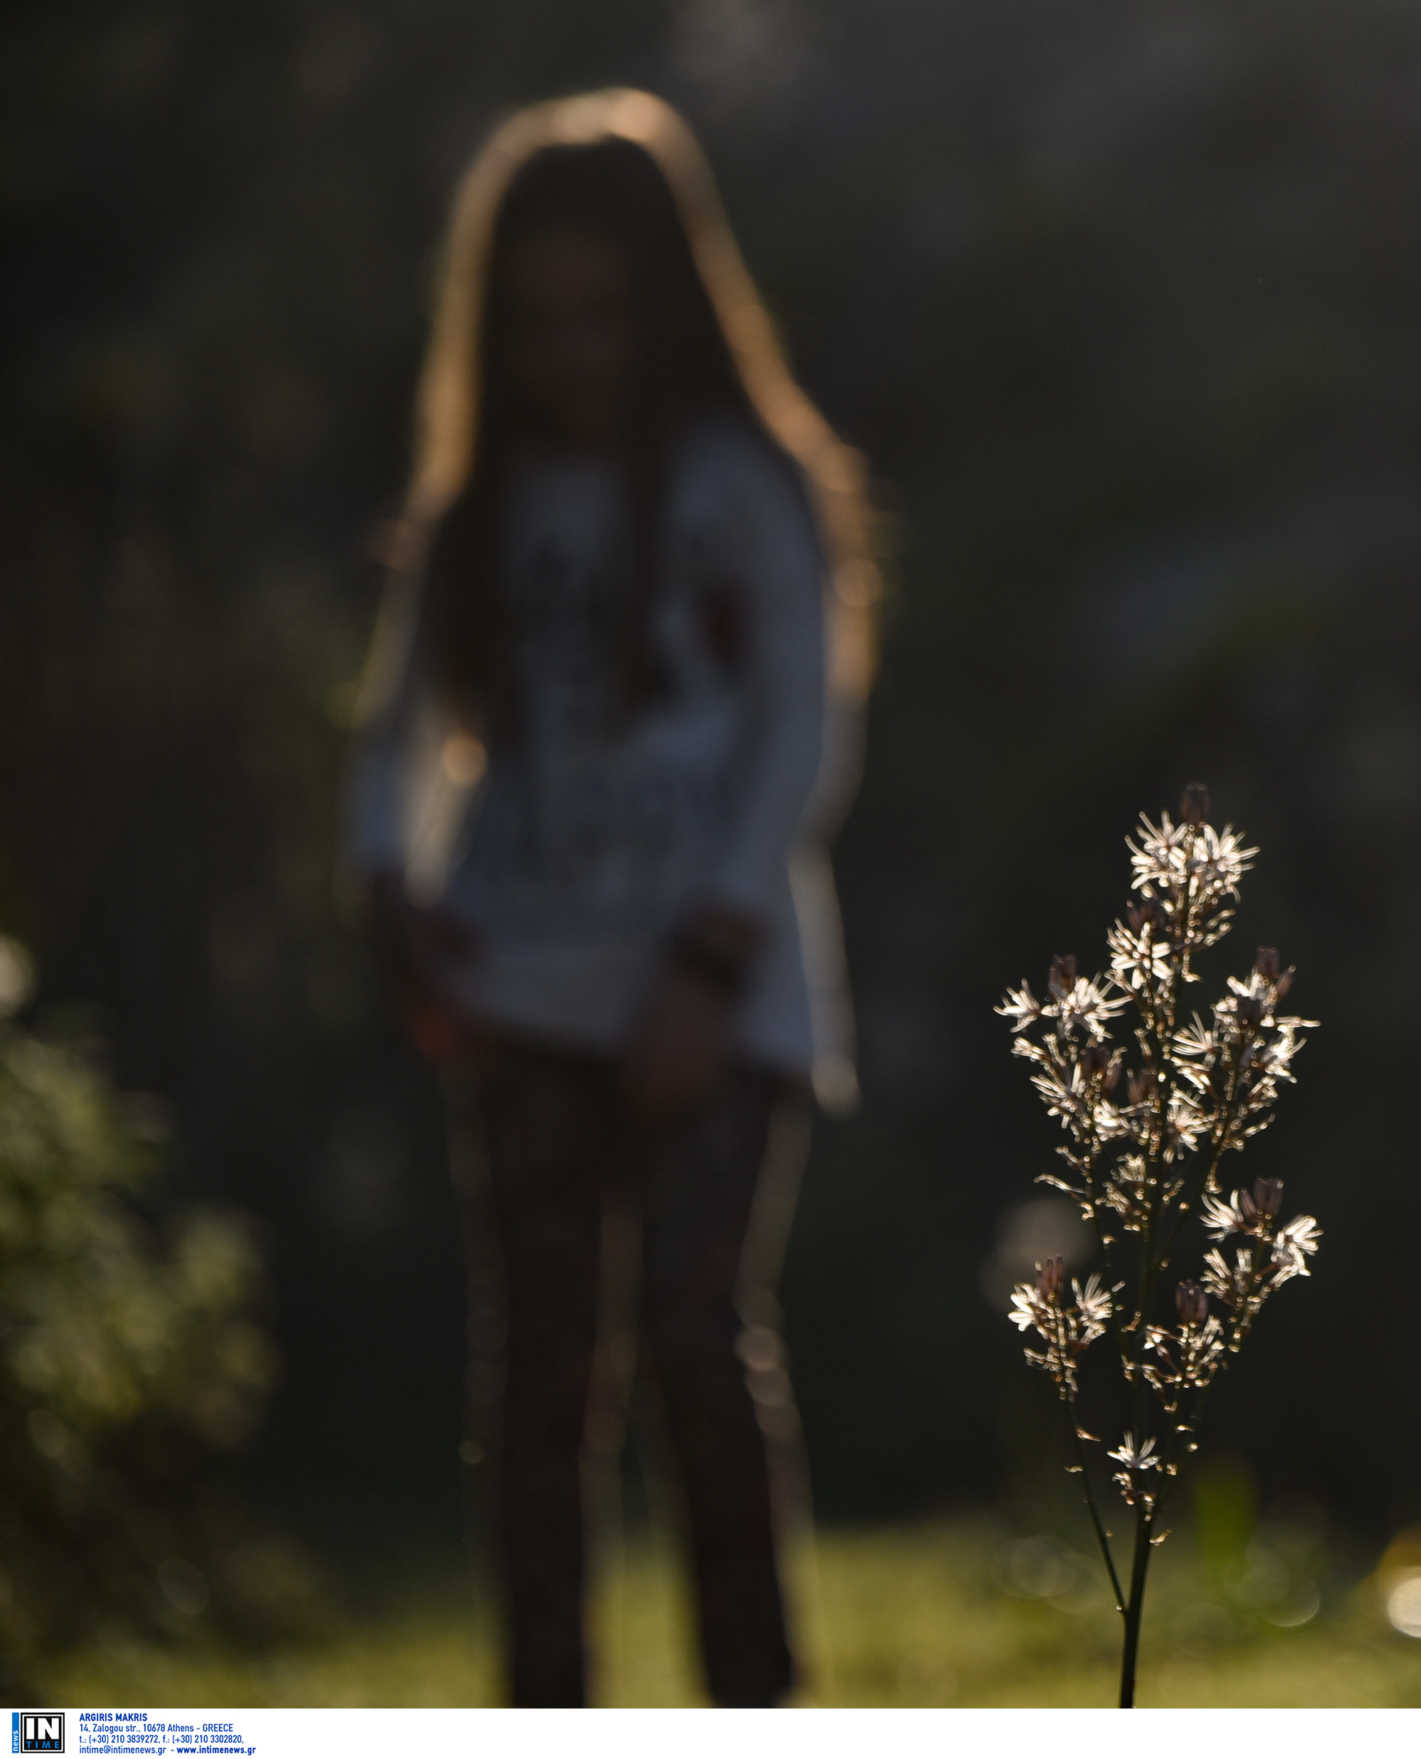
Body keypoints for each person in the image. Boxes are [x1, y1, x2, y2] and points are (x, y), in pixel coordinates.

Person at [347, 89, 878, 1708]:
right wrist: (397, 895)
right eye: (537, 322)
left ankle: (754, 1709)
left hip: (719, 994)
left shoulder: (749, 485)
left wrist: (709, 965)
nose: (572, 352)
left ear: (671, 302)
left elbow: (804, 725)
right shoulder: (475, 513)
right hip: (524, 986)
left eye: (603, 313)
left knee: (698, 1342)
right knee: (538, 1387)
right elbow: (394, 738)